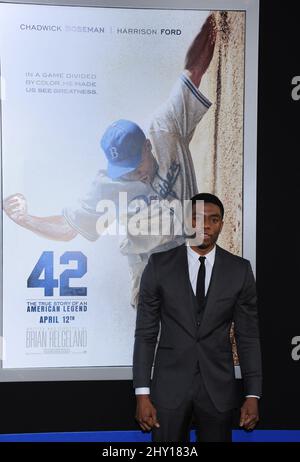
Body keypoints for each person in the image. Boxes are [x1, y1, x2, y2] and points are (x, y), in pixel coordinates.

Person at [3, 15, 217, 307]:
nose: (133, 175)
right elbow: (68, 228)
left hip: (191, 253)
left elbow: (192, 71)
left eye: (137, 165)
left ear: (147, 145)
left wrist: (216, 20)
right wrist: (24, 219)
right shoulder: (108, 186)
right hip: (150, 272)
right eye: (125, 172)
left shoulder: (165, 128)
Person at [133, 193, 262, 442]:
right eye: (197, 218)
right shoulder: (159, 266)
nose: (205, 226)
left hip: (218, 390)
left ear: (221, 225)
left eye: (213, 220)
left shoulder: (240, 270)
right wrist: (142, 393)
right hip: (168, 389)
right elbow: (145, 334)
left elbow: (248, 336)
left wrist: (252, 395)